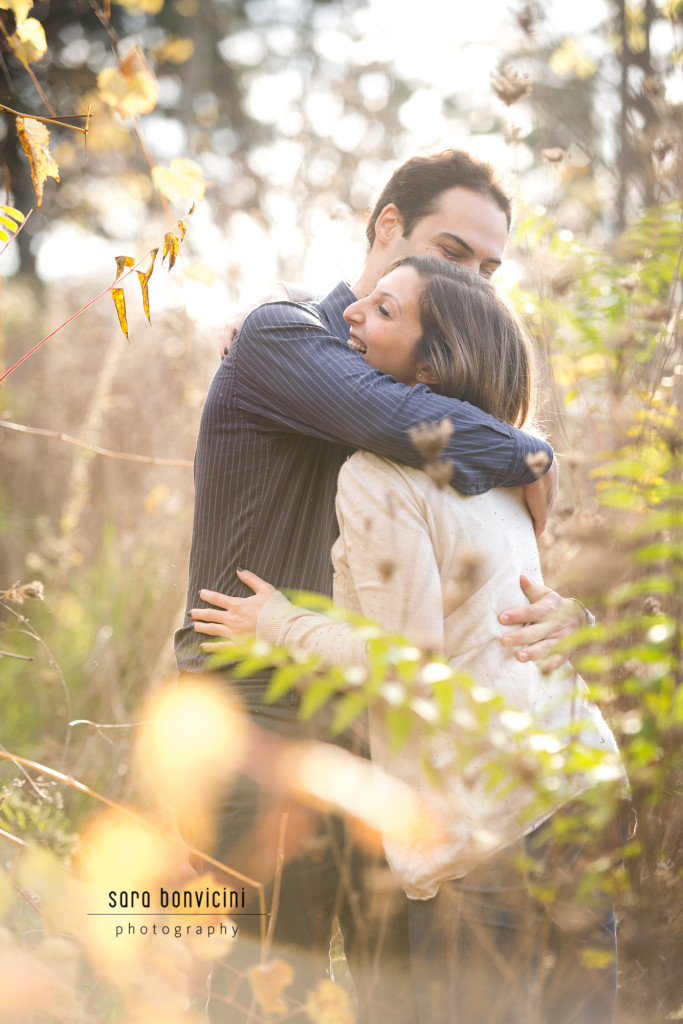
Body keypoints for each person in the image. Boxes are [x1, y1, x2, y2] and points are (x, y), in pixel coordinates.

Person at [174, 149, 586, 1023]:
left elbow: (487, 566)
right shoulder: (283, 336)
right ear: (387, 227)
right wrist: (532, 451)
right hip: (259, 716)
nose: (466, 276)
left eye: (485, 268)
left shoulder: (442, 397)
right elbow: (398, 422)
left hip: (389, 735)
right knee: (255, 993)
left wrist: (562, 615)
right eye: (450, 247)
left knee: (395, 998)